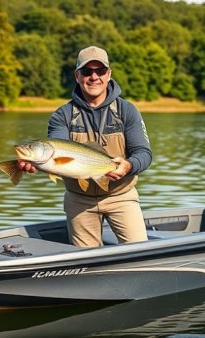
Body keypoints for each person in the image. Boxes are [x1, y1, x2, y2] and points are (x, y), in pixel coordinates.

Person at [18, 46, 152, 247]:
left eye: (100, 71)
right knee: (85, 262)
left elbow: (144, 153)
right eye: (87, 72)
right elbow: (57, 151)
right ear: (77, 76)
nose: (94, 77)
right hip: (79, 201)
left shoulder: (127, 110)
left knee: (141, 252)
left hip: (121, 196)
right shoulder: (61, 115)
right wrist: (37, 164)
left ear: (109, 74)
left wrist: (128, 166)